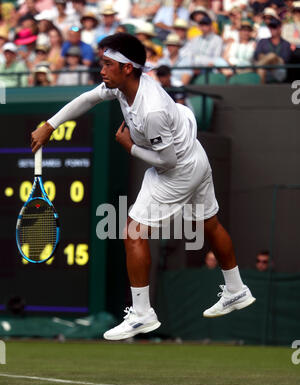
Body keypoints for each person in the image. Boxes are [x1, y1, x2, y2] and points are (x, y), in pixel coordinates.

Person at [31, 32, 256, 340]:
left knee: (133, 232)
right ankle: (236, 289)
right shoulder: (123, 88)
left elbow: (166, 162)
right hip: (195, 157)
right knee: (210, 224)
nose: (102, 70)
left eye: (108, 65)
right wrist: (50, 125)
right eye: (102, 63)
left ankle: (142, 314)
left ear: (127, 68)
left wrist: (128, 147)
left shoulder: (151, 109)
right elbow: (88, 98)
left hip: (177, 169)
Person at [254, 17, 291, 82]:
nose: (271, 29)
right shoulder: (263, 41)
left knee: (271, 56)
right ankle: (260, 91)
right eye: (270, 27)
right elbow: (257, 56)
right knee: (262, 69)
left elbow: (283, 61)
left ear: (279, 28)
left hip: (279, 69)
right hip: (264, 68)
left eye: (274, 27)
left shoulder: (286, 44)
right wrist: (269, 59)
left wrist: (271, 57)